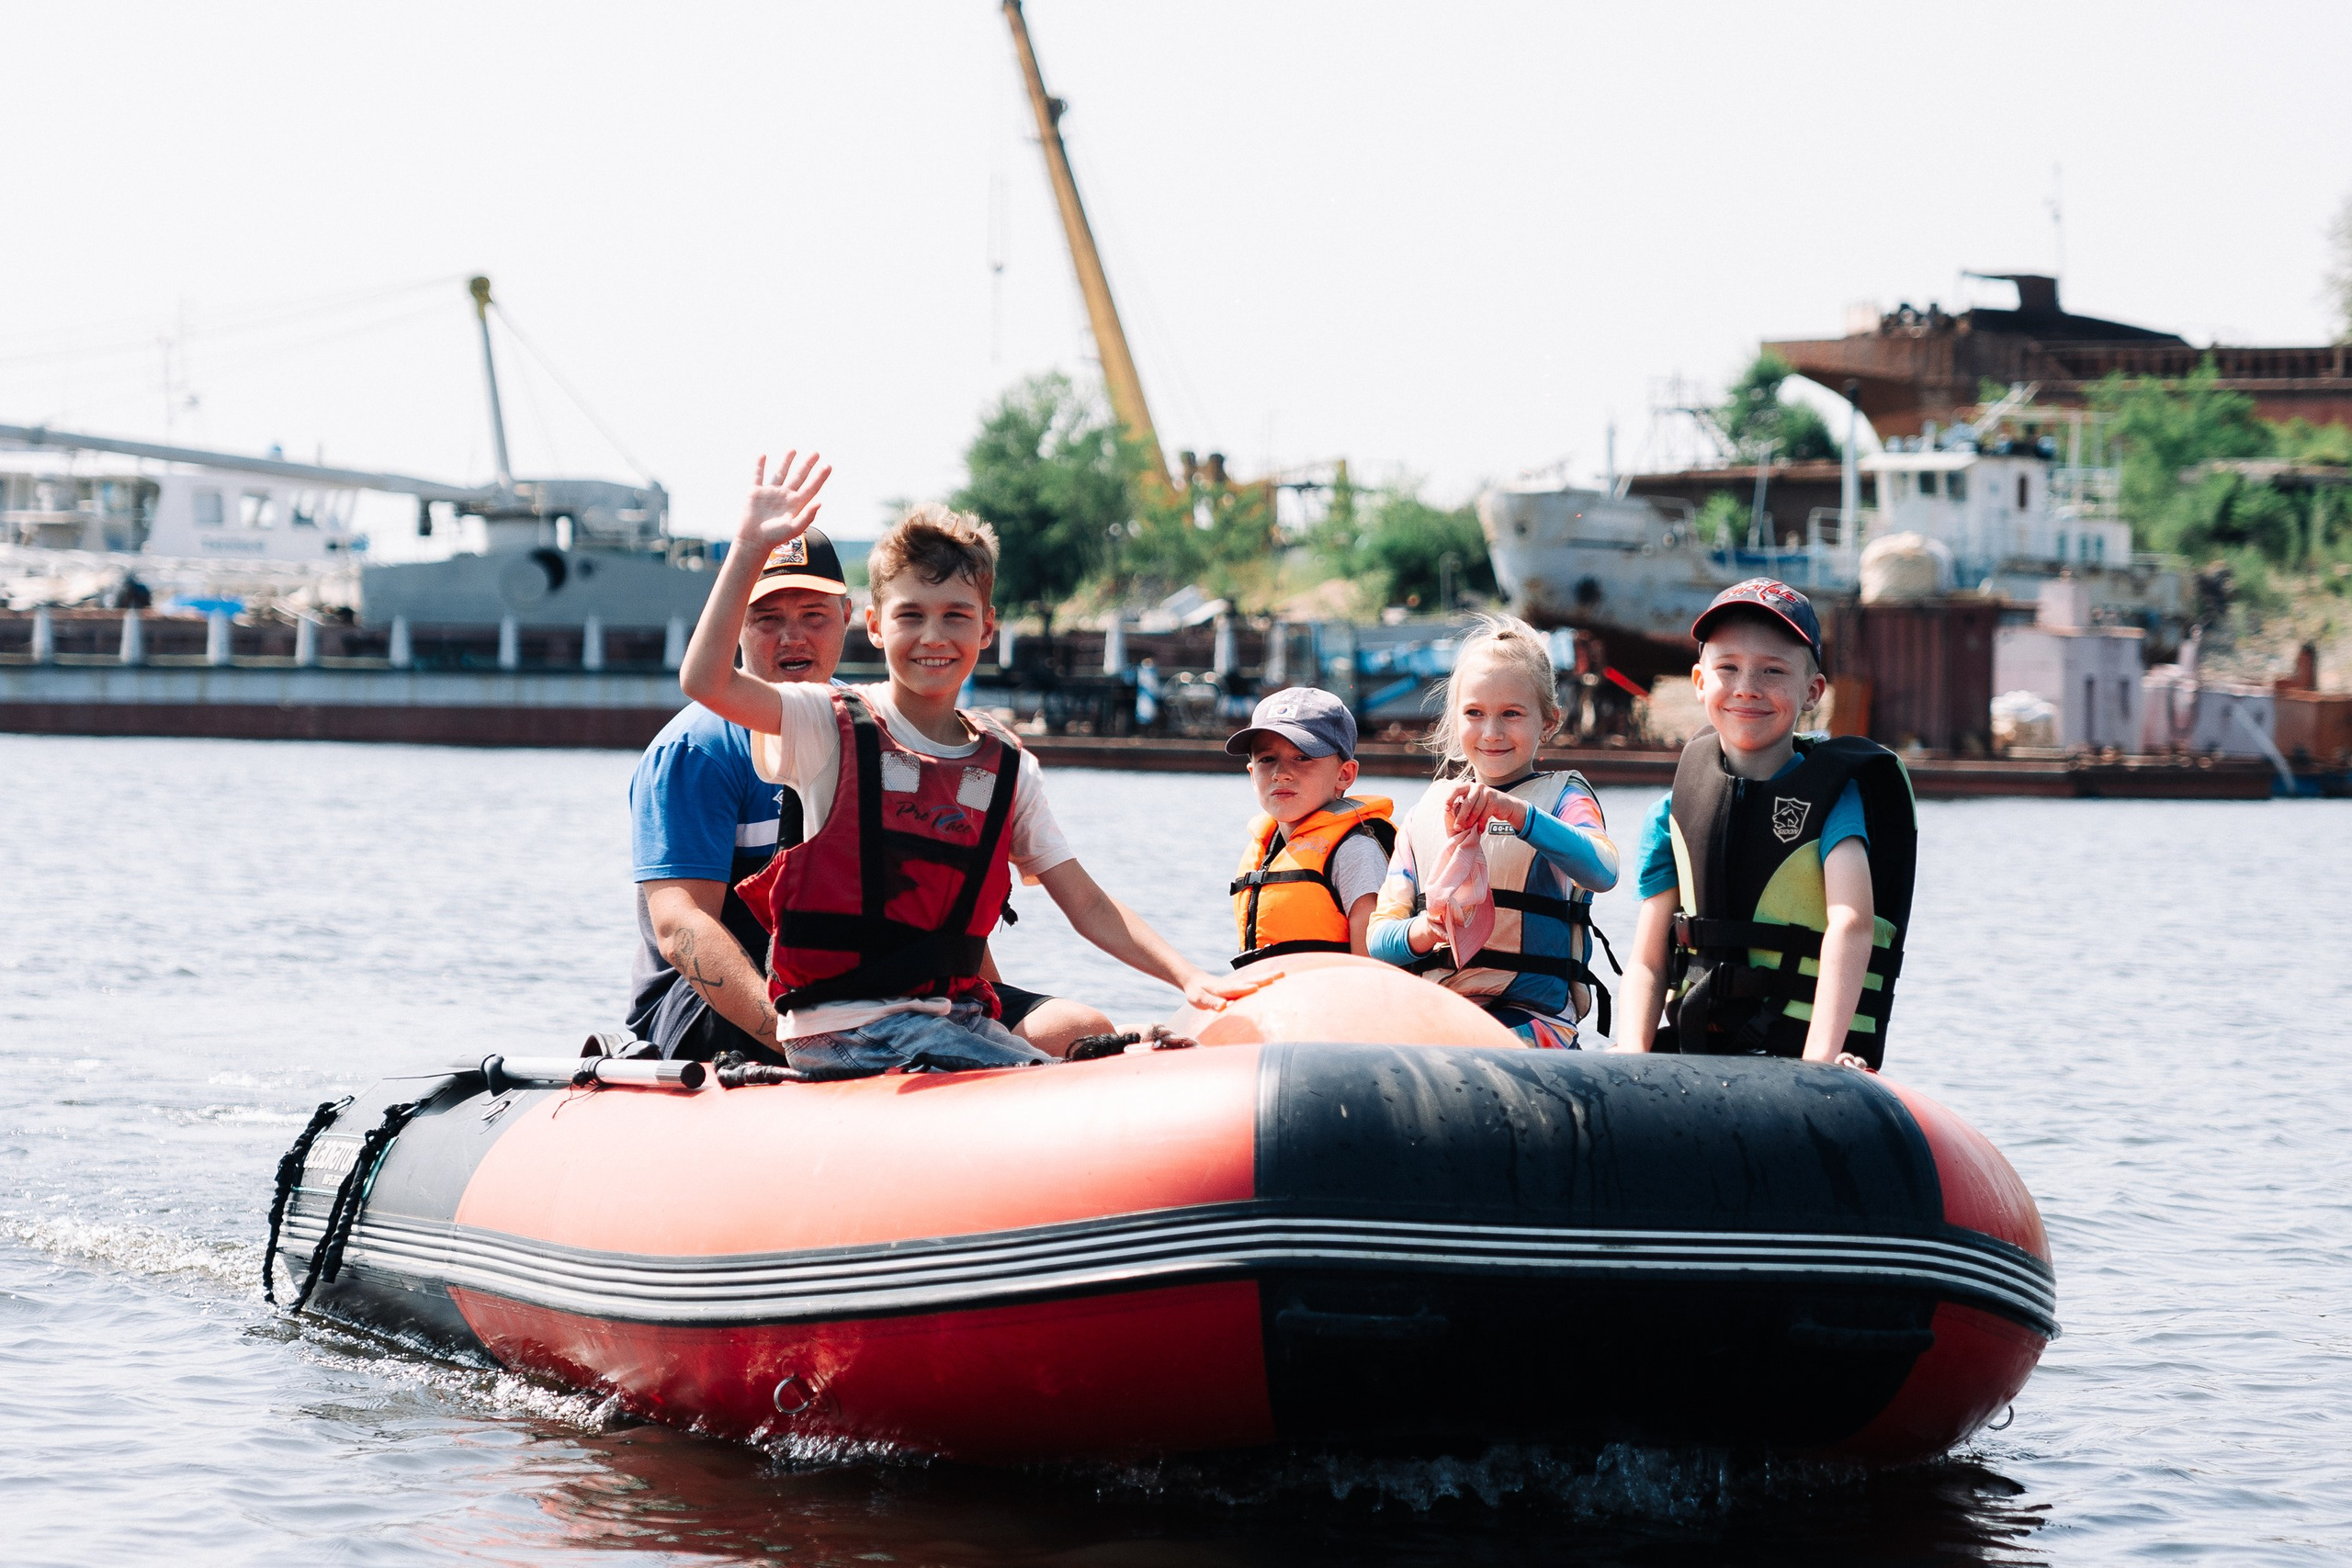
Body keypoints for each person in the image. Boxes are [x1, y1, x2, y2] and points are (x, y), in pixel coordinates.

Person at [678, 451, 1256, 1078]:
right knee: (1050, 1083)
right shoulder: (826, 722)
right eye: (911, 616)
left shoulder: (1007, 766)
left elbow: (1087, 903)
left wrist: (1187, 975)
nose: (933, 637)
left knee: (1102, 1044)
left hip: (946, 1021)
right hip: (844, 1035)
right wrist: (746, 547)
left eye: (956, 615)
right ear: (873, 626)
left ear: (987, 628)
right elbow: (705, 680)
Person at [628, 523, 1110, 1061]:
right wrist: (797, 1037)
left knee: (1075, 1028)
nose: (792, 637)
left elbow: (935, 905)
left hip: (876, 990)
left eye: (813, 616)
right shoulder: (698, 749)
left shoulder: (873, 727)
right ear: (733, 625)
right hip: (711, 1005)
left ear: (848, 618)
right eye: (768, 619)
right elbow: (679, 925)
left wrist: (974, 1015)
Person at [1613, 580, 1917, 1069]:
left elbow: (1851, 923)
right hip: (1700, 1047)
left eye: (1773, 671)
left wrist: (1821, 1059)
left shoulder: (1837, 802)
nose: (1747, 687)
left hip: (1800, 1050)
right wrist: (1631, 1058)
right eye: (1727, 667)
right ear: (1699, 682)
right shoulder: (1669, 814)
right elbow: (1649, 960)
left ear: (1813, 692)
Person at [1368, 616, 1620, 1048]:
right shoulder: (1425, 813)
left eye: (1511, 714)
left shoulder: (1564, 798)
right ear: (1455, 718)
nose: (1491, 732)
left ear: (1549, 721)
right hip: (1443, 1019)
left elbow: (1603, 870)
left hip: (1535, 1022)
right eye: (1474, 714)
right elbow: (1379, 939)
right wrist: (1424, 932)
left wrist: (1520, 816)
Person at [1224, 687, 1396, 967]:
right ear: (1252, 775)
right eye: (1267, 759)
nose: (1281, 773)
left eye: (1303, 757)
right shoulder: (1267, 849)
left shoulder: (1355, 851)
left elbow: (1372, 968)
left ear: (1345, 774)